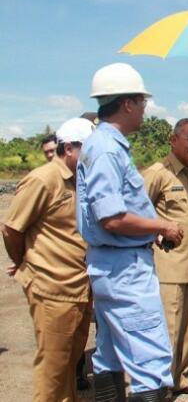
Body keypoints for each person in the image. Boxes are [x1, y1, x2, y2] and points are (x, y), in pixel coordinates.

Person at [76, 63, 184, 401]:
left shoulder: (101, 144)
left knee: (109, 354)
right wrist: (163, 225)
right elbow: (111, 219)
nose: (144, 109)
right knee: (150, 363)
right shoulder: (108, 149)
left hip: (110, 263)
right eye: (141, 102)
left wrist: (148, 231)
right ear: (126, 104)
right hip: (125, 269)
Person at [2, 118, 94, 402]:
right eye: (89, 149)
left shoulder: (81, 179)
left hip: (79, 286)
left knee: (70, 362)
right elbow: (12, 229)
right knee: (53, 368)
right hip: (52, 287)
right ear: (69, 148)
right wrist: (26, 261)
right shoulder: (43, 179)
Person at [142, 118, 188, 395]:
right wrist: (159, 230)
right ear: (173, 140)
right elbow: (135, 214)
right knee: (168, 330)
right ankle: (160, 387)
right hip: (168, 267)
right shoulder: (157, 173)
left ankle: (180, 378)